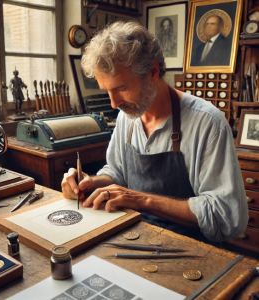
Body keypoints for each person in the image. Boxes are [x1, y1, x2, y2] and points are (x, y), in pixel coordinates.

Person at [61, 21, 248, 244]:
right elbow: (118, 172)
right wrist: (91, 182)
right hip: (133, 236)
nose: (113, 103)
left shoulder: (207, 123)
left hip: (190, 249)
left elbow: (225, 216)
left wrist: (141, 200)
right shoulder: (127, 116)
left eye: (121, 88)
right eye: (107, 91)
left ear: (152, 71)